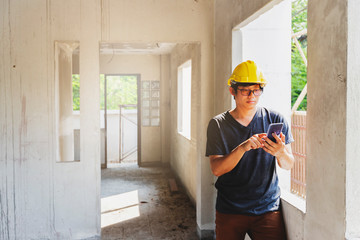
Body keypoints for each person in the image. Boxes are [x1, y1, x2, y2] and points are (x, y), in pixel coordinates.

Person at [206, 60, 295, 240]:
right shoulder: (218, 124)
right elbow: (217, 169)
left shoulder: (275, 119)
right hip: (230, 210)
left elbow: (289, 164)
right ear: (232, 90)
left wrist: (280, 152)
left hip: (267, 209)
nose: (252, 95)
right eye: (245, 90)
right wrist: (243, 148)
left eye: (256, 90)